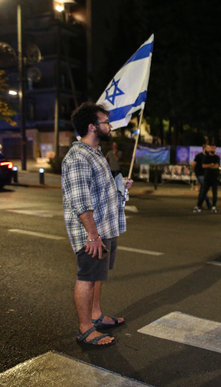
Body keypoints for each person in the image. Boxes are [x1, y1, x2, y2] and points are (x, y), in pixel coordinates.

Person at [62, 102, 133, 346]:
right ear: (92, 126)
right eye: (105, 122)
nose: (109, 126)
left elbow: (102, 194)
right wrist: (92, 235)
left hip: (104, 229)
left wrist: (122, 187)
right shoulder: (79, 156)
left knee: (98, 276)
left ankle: (96, 316)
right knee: (88, 278)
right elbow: (81, 201)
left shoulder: (96, 153)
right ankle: (85, 329)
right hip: (91, 233)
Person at [195, 144, 220, 213]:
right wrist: (211, 164)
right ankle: (198, 206)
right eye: (211, 148)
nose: (212, 150)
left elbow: (217, 166)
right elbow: (203, 166)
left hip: (215, 177)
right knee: (203, 192)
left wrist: (209, 165)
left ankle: (213, 206)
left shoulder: (217, 157)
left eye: (214, 148)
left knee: (214, 193)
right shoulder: (206, 157)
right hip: (207, 177)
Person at [192, 144, 212, 212]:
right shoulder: (199, 156)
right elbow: (193, 164)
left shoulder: (208, 156)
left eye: (210, 148)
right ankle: (208, 204)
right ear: (204, 149)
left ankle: (199, 204)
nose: (209, 150)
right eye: (208, 148)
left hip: (206, 175)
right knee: (204, 189)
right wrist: (194, 172)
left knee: (202, 190)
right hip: (200, 174)